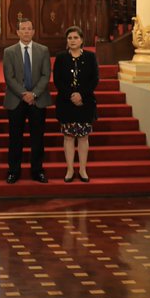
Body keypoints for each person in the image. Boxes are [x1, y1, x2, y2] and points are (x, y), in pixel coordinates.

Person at [3, 18, 52, 184]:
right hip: (16, 100)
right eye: (22, 29)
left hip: (37, 100)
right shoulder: (9, 51)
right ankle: (13, 171)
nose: (26, 31)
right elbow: (9, 77)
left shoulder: (43, 50)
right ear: (17, 32)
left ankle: (37, 170)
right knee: (15, 138)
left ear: (33, 31)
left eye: (29, 29)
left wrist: (34, 94)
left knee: (37, 138)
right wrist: (24, 94)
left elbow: (46, 75)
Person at [53, 26, 99, 183]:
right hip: (66, 103)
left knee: (83, 137)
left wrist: (81, 95)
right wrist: (71, 95)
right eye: (69, 38)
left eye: (75, 38)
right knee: (68, 137)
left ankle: (83, 169)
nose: (72, 41)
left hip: (85, 103)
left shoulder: (90, 57)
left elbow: (94, 80)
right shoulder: (60, 58)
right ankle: (70, 169)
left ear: (81, 40)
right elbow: (58, 80)